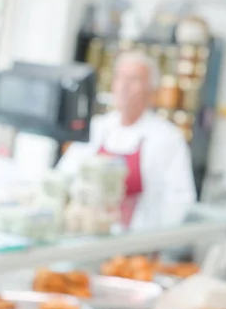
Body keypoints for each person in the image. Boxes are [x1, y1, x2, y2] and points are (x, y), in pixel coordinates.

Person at [58, 50, 196, 229]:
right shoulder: (96, 127)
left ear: (151, 91)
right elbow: (63, 176)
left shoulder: (167, 137)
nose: (124, 86)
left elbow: (181, 200)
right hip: (86, 235)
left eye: (134, 80)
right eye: (119, 77)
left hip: (137, 242)